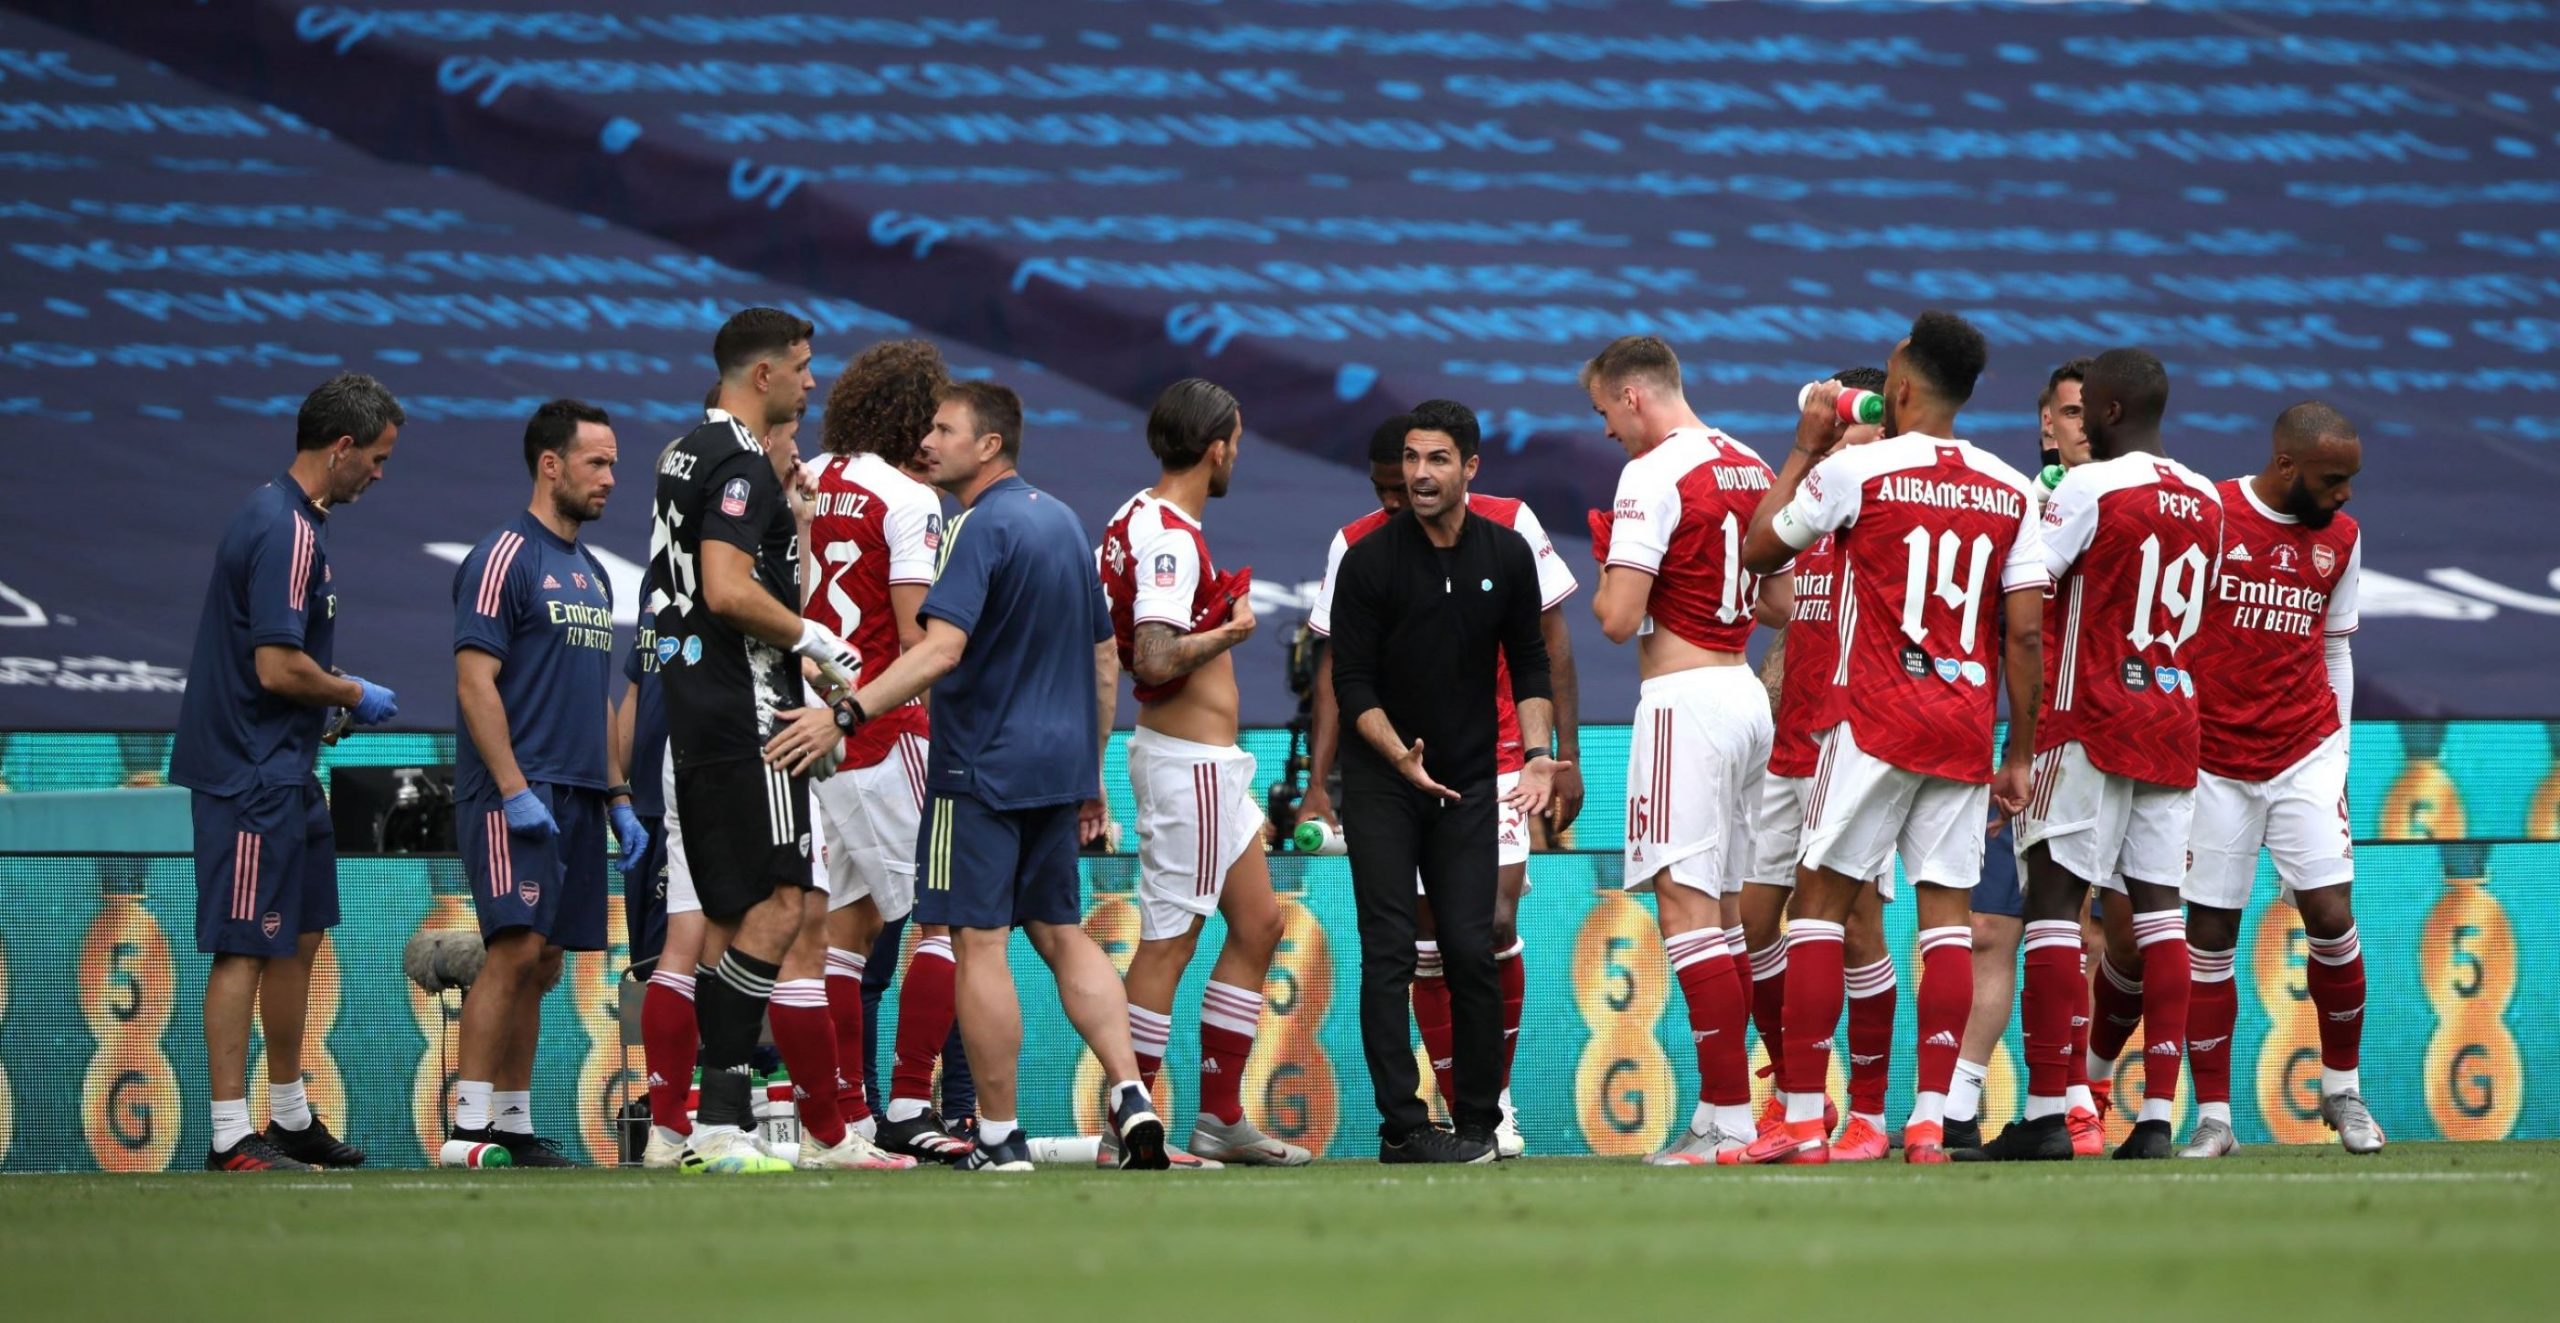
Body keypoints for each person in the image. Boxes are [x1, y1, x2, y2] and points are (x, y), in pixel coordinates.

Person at [772, 380, 1170, 1172]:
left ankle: (996, 1132)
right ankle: (1130, 1092)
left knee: (975, 940)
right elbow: (1103, 658)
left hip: (977, 766)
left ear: (988, 444)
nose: (929, 440)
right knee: (1061, 932)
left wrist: (846, 712)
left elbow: (939, 649)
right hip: (1059, 770)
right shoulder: (1062, 521)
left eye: (946, 429)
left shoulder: (975, 528)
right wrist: (1090, 772)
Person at [1738, 310, 2046, 1165]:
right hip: (1963, 721)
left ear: (1901, 387)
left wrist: (1805, 446)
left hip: (1870, 715)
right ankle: (1925, 1121)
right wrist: (2017, 751)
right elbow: (2025, 635)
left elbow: (1762, 550)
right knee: (1945, 919)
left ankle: (1803, 1117)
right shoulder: (2010, 485)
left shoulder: (1862, 469)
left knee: (1818, 909)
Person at [1965, 347, 2224, 1162]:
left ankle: (2046, 1111)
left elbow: (2029, 611)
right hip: (2171, 716)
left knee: (2052, 904)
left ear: (2108, 412)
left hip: (2088, 720)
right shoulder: (2207, 497)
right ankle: (2154, 1118)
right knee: (2157, 916)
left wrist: (2022, 737)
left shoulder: (2087, 488)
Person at [1300, 413, 1582, 1158]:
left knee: (1472, 942)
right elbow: (1350, 680)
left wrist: (1538, 753)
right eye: (1411, 459)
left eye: (1437, 459)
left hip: (1472, 778)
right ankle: (1402, 1125)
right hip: (1385, 782)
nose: (1420, 473)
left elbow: (1531, 658)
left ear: (1471, 468)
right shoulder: (1365, 559)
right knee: (1389, 950)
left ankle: (1483, 1121)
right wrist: (1398, 757)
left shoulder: (1509, 550)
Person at [644, 307, 878, 1175]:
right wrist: (814, 641)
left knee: (739, 917)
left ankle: (698, 1127)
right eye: (805, 366)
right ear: (764, 374)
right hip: (749, 714)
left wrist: (800, 536)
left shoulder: (682, 454)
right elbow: (727, 588)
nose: (814, 381)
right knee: (785, 909)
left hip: (698, 711)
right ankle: (720, 1119)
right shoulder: (738, 462)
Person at [173, 372, 403, 1172]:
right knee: (242, 947)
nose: (379, 473)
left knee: (300, 937)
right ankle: (229, 1134)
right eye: (374, 457)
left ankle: (289, 1111)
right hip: (248, 774)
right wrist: (351, 691)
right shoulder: (286, 530)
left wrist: (326, 709)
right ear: (340, 448)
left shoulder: (294, 520)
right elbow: (275, 664)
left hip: (286, 765)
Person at [1094, 378, 1311, 1168]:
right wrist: (1233, 632)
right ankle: (1131, 1127)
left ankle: (1219, 1117)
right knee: (1168, 943)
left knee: (1258, 924)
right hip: (1188, 767)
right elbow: (1152, 653)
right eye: (1237, 440)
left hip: (1203, 767)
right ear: (1216, 444)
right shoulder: (1169, 537)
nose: (1238, 454)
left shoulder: (1135, 516)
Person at [1581, 336, 1786, 1165]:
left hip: (1685, 699)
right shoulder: (1746, 459)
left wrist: (1608, 566)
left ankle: (1731, 1117)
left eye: (1604, 412)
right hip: (1742, 691)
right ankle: (1722, 1106)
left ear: (1634, 396)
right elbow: (1776, 600)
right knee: (1727, 914)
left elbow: (1617, 618)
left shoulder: (1652, 472)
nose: (1605, 433)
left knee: (1685, 910)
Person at [445, 398, 647, 1167]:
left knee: (549, 959)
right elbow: (474, 683)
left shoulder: (593, 573)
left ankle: (514, 1123)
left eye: (615, 465)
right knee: (514, 947)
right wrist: (513, 786)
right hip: (514, 795)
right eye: (597, 463)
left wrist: (619, 797)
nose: (610, 479)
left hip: (578, 796)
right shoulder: (503, 555)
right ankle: (468, 1127)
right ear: (550, 464)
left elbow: (595, 694)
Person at [2179, 402, 2377, 1157]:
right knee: (2211, 933)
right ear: (2287, 466)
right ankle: (2217, 1118)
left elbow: (2336, 652)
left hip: (2304, 752)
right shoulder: (2213, 515)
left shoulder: (2344, 541)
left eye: (2351, 480)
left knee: (2329, 912)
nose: (2345, 495)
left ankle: (2343, 1091)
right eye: (2334, 480)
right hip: (2213, 759)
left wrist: (2341, 759)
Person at [802, 338, 974, 1164]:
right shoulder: (908, 500)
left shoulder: (811, 476)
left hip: (814, 730)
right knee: (943, 916)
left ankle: (848, 1112)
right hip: (883, 725)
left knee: (849, 922)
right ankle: (910, 1100)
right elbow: (915, 639)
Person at [1946, 356, 2105, 1154]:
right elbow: (2005, 630)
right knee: (1990, 927)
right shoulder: (2017, 502)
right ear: (2047, 421)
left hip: (2108, 745)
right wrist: (2008, 740)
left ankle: (2077, 1092)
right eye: (2070, 414)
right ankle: (1960, 1103)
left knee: (2094, 932)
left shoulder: (2131, 504)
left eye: (2091, 413)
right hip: (2026, 745)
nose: (2082, 426)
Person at [1740, 365, 1898, 1162]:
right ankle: (1798, 1086)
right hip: (1790, 732)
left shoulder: (1895, 512)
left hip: (1859, 741)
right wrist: (1804, 453)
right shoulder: (1820, 506)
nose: (1840, 436)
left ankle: (1865, 1113)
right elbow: (1765, 587)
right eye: (1831, 423)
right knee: (1754, 919)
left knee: (1856, 920)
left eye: (1852, 422)